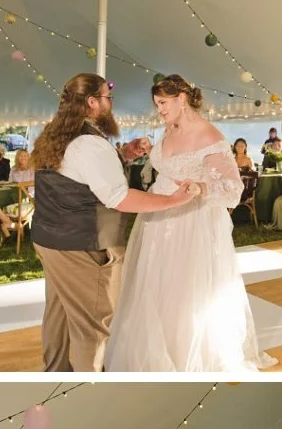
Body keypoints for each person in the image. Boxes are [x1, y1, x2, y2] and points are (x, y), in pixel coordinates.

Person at [104, 75, 276, 371]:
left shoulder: (209, 136)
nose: (159, 110)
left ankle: (183, 354)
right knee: (152, 283)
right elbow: (166, 165)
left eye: (163, 103)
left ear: (182, 98)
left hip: (190, 222)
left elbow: (234, 189)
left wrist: (202, 189)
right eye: (157, 104)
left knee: (182, 289)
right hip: (157, 218)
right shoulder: (168, 128)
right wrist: (146, 148)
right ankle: (148, 352)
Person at [29, 73, 197, 372]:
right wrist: (174, 200)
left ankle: (53, 373)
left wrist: (123, 154)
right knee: (92, 327)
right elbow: (119, 198)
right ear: (92, 102)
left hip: (49, 240)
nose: (111, 103)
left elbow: (78, 173)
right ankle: (88, 384)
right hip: (82, 245)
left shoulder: (60, 134)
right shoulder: (90, 144)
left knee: (60, 316)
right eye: (108, 97)